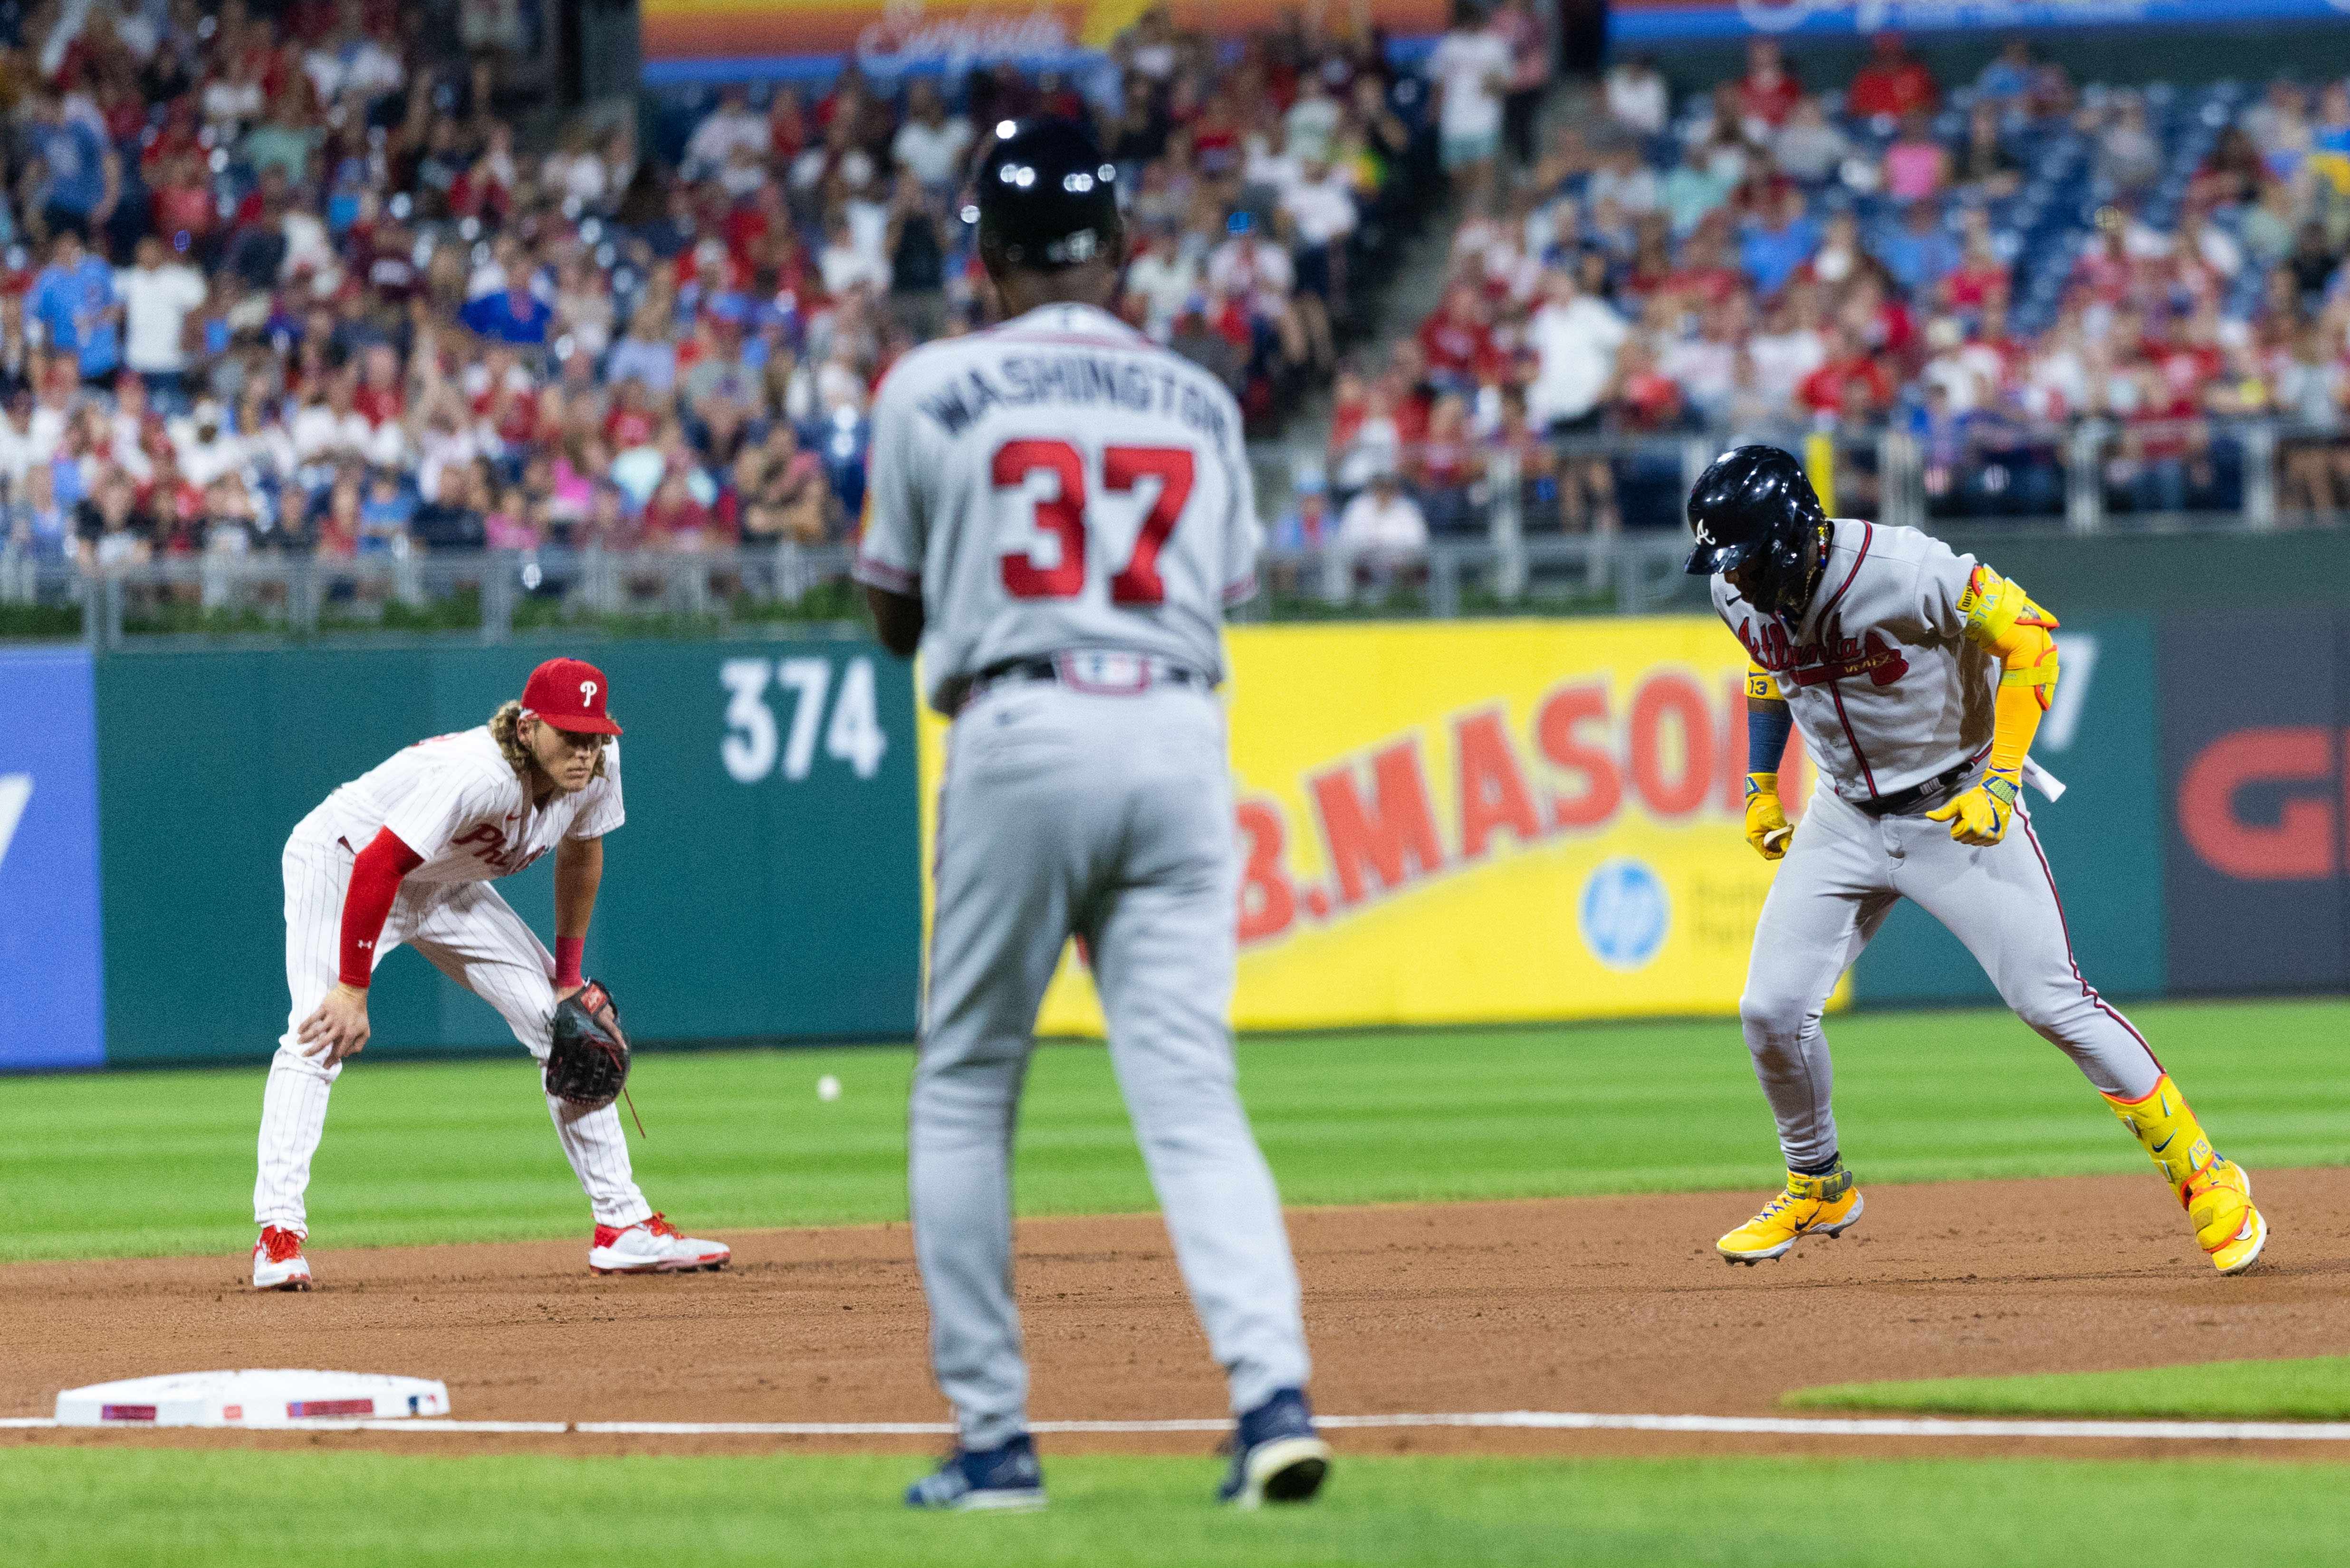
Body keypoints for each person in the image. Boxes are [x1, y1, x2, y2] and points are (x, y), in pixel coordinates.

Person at [856, 118, 1329, 1513]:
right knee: (1190, 1096)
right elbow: (1230, 585)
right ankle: (1272, 1401)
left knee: (966, 1082)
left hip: (1018, 720)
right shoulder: (1195, 395)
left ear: (985, 251)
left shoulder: (930, 381)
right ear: (1121, 251)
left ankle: (996, 1440)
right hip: (1180, 730)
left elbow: (892, 612)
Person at [1683, 445, 2268, 1276]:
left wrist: (1999, 780)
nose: (1730, 579)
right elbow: (1768, 671)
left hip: (1952, 806)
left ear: (1787, 539)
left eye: (1741, 559)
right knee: (1770, 1011)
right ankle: (1819, 1183)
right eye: (1723, 563)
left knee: (2050, 999)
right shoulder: (1732, 593)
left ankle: (2205, 1178)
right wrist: (1757, 784)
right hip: (1843, 816)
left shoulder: (1901, 567)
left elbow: (2031, 638)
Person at [249, 657, 732, 1291]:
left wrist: (568, 977)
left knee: (566, 1030)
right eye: (570, 735)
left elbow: (583, 854)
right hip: (344, 863)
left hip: (444, 884)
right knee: (320, 1034)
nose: (585, 751)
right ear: (530, 728)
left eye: (595, 736)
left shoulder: (597, 772)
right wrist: (352, 988)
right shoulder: (480, 775)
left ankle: (622, 1229)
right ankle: (277, 1237)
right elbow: (379, 866)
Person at [1428, 6, 1513, 201]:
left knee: (1484, 176)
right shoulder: (1450, 44)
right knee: (1457, 176)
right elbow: (1438, 79)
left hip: (1485, 120)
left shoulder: (1495, 45)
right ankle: (1467, 216)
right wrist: (1435, 110)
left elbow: (1507, 80)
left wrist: (1494, 84)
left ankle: (1481, 219)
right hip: (1454, 123)